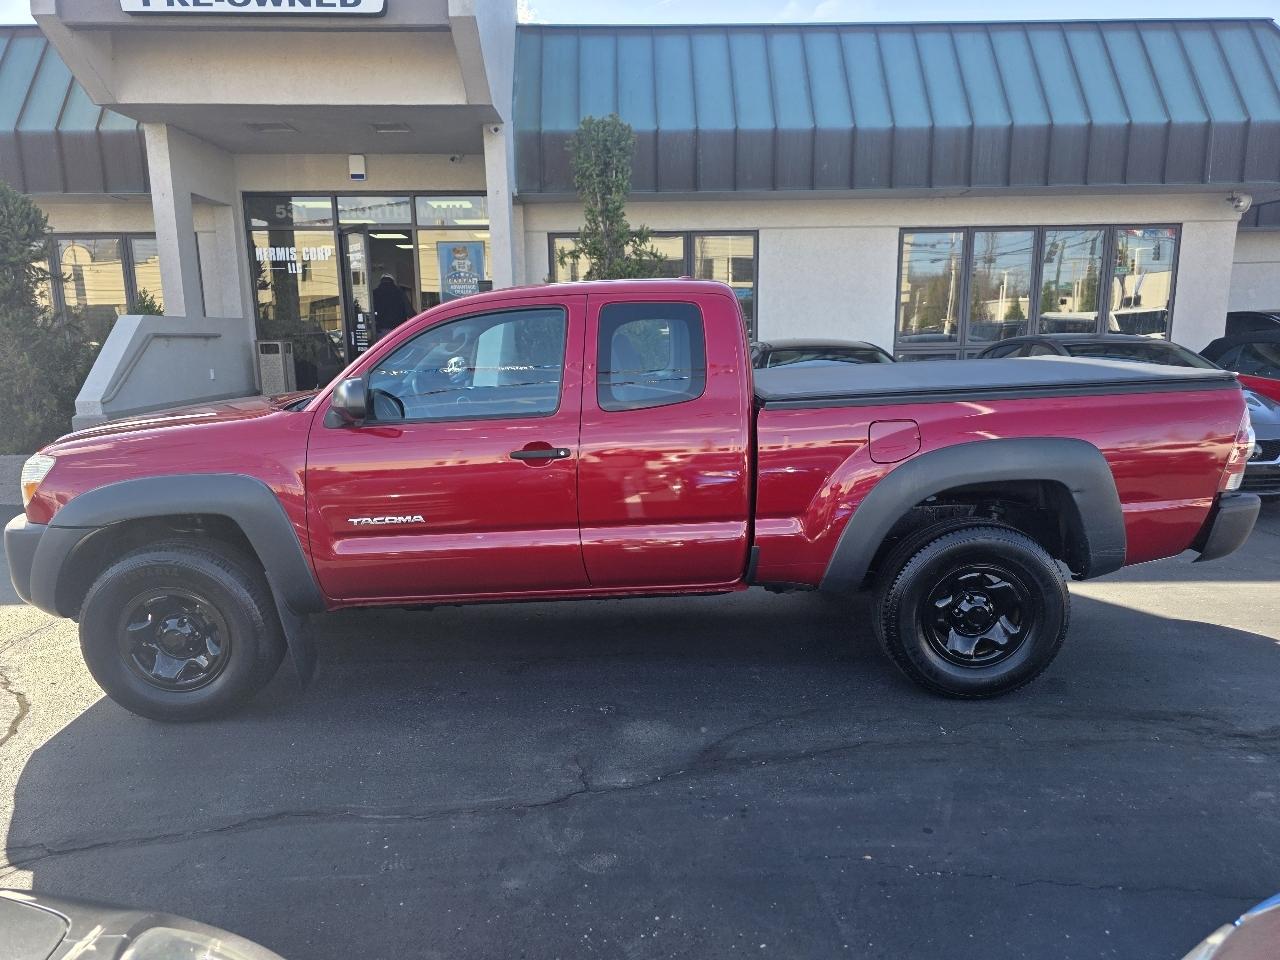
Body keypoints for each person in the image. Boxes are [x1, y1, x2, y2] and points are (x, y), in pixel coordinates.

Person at [372, 273, 413, 339]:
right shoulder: (400, 292)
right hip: (398, 330)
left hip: (380, 331)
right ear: (392, 281)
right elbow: (410, 312)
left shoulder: (374, 293)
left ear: (381, 281)